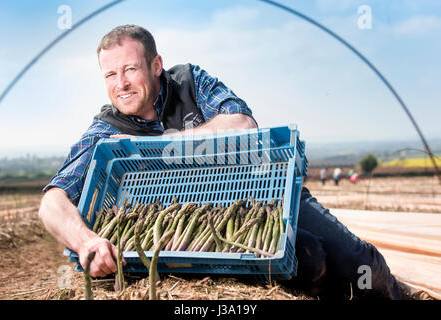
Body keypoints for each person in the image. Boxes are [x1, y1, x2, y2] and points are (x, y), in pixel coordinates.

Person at [38, 25, 405, 299]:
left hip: (262, 198)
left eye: (130, 69)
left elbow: (243, 122)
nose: (122, 83)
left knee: (358, 263)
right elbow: (52, 202)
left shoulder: (190, 82)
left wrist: (164, 144)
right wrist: (86, 242)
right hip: (205, 233)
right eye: (110, 75)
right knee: (311, 260)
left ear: (156, 65)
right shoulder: (105, 131)